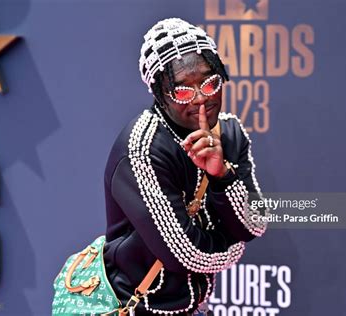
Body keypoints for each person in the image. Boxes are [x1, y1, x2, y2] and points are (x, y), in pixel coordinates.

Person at [103, 18, 267, 315]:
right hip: (135, 307)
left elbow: (254, 222)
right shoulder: (142, 149)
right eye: (182, 91)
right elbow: (186, 254)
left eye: (209, 82)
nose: (201, 98)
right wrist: (235, 246)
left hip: (193, 307)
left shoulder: (229, 133)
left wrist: (222, 176)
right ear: (159, 94)